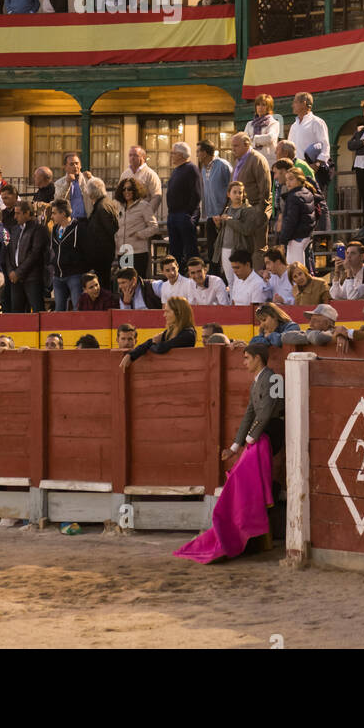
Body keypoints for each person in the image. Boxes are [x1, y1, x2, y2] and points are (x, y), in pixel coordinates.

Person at [174, 339, 284, 564]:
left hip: (271, 433)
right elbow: (249, 414)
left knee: (245, 477)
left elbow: (266, 413)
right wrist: (235, 447)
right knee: (244, 477)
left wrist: (250, 439)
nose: (243, 362)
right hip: (261, 436)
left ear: (257, 358)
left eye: (246, 358)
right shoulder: (257, 382)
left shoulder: (273, 378)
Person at [228, 132, 272, 269]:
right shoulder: (238, 162)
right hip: (241, 212)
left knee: (258, 250)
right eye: (232, 146)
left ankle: (259, 282)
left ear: (246, 145)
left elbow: (265, 188)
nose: (233, 149)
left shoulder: (257, 159)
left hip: (255, 211)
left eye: (236, 146)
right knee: (244, 251)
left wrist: (259, 212)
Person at [121, 295, 196, 368]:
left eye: (167, 312)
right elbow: (148, 343)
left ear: (178, 313)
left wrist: (154, 343)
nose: (164, 315)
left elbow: (161, 348)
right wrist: (130, 355)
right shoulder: (170, 331)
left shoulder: (188, 334)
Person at [213, 180, 258, 288]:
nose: (238, 195)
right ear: (229, 194)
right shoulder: (227, 209)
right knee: (230, 280)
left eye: (240, 192)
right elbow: (222, 230)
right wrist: (218, 224)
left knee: (241, 280)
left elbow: (247, 229)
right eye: (235, 192)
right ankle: (234, 303)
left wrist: (229, 221)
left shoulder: (248, 210)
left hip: (239, 249)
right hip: (224, 249)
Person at [6, 200, 48, 313]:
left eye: (18, 213)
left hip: (32, 278)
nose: (15, 217)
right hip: (15, 279)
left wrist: (18, 273)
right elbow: (9, 252)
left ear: (27, 213)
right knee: (17, 314)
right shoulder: (14, 230)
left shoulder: (39, 229)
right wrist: (11, 271)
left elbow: (35, 254)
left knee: (37, 311)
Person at [196, 139, 231, 274]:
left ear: (205, 152)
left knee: (226, 251)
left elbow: (233, 188)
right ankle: (215, 279)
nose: (197, 154)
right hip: (211, 216)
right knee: (212, 251)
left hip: (224, 216)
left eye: (198, 151)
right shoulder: (204, 168)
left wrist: (225, 212)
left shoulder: (223, 165)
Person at [113, 177, 158, 283]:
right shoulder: (120, 207)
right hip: (123, 252)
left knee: (137, 283)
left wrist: (139, 234)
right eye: (124, 189)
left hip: (137, 252)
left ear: (135, 190)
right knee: (125, 283)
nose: (126, 191)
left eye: (129, 189)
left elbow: (154, 227)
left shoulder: (143, 206)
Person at [165, 141, 201, 272]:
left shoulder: (191, 169)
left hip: (183, 216)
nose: (171, 156)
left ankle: (196, 279)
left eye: (173, 153)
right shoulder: (176, 171)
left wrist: (188, 215)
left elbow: (196, 194)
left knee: (191, 251)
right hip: (173, 215)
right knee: (175, 252)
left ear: (180, 155)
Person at [50, 199, 88, 311]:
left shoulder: (78, 227)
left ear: (63, 213)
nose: (52, 216)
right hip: (58, 275)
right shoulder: (55, 229)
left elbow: (86, 250)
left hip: (74, 275)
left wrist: (82, 268)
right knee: (59, 310)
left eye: (54, 213)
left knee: (78, 308)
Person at [278, 168, 317, 266]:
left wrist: (283, 241)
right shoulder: (307, 192)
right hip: (306, 235)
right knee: (300, 267)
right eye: (286, 179)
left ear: (299, 180)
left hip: (296, 237)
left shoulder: (294, 196)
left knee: (295, 269)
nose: (288, 183)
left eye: (291, 179)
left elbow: (290, 221)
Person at [85, 178, 119, 284]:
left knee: (104, 283)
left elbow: (112, 230)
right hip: (103, 253)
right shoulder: (105, 203)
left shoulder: (101, 207)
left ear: (91, 193)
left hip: (103, 254)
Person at [287, 92, 331, 172]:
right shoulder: (293, 126)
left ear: (303, 103)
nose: (292, 105)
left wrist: (317, 165)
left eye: (295, 102)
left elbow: (325, 146)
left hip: (312, 168)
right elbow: (290, 148)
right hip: (296, 168)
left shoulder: (317, 122)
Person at [118, 146, 162, 214]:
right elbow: (119, 194)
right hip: (127, 216)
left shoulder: (150, 174)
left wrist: (147, 214)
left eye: (135, 155)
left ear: (143, 157)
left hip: (142, 217)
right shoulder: (125, 174)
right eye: (130, 155)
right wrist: (122, 212)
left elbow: (156, 197)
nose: (132, 158)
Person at [53, 153, 100, 218]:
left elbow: (99, 194)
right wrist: (67, 183)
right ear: (65, 167)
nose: (75, 166)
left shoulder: (87, 179)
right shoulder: (59, 183)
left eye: (77, 163)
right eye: (71, 164)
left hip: (87, 220)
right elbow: (58, 201)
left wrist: (92, 178)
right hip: (69, 220)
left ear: (80, 166)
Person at [245, 94, 280, 160]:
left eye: (263, 105)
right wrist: (260, 139)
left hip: (268, 160)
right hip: (252, 159)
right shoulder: (249, 124)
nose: (260, 107)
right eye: (258, 105)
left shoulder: (273, 123)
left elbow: (269, 138)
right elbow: (244, 141)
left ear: (269, 107)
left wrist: (253, 139)